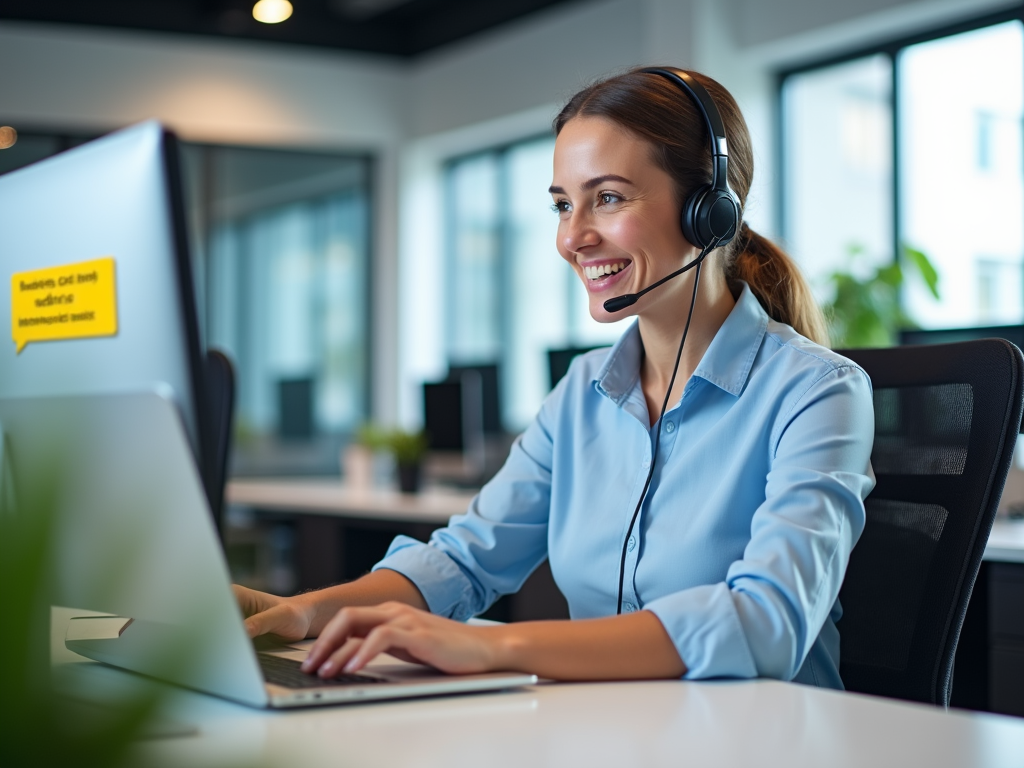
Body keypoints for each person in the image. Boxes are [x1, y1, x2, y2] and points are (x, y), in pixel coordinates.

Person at [233, 67, 875, 688]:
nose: (574, 237)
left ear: (708, 210)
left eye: (609, 198)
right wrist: (306, 612)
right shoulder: (582, 392)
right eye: (563, 205)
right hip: (606, 733)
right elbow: (465, 560)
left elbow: (763, 626)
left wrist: (492, 647)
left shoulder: (816, 391)